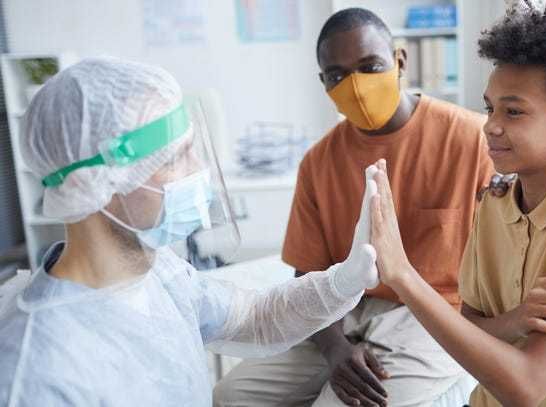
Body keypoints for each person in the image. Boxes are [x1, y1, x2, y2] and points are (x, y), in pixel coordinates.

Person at [0, 57, 380, 407]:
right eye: (174, 158)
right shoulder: (37, 371)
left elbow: (255, 317)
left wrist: (343, 282)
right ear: (92, 184)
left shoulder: (159, 274)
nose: (198, 170)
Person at [212, 7, 508, 407]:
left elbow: (504, 255)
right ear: (323, 83)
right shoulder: (319, 162)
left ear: (400, 61)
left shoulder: (471, 140)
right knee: (231, 395)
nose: (356, 86)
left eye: (370, 67)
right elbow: (308, 273)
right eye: (337, 75)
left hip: (436, 311)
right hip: (343, 309)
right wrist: (335, 349)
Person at [369, 1, 546, 406]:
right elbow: (470, 326)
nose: (491, 125)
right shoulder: (494, 204)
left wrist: (403, 275)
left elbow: (526, 387)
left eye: (514, 111)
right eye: (490, 108)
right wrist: (517, 320)